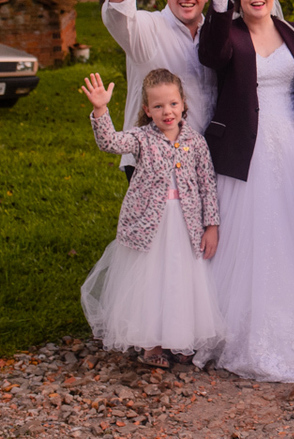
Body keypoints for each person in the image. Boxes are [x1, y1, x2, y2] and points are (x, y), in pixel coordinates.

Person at [195, 0, 294, 382]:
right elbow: (211, 56)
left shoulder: (293, 32)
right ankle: (239, 332)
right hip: (244, 152)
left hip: (292, 143)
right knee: (251, 241)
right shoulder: (228, 33)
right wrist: (218, 1)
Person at [78, 70, 223, 370]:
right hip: (150, 225)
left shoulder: (195, 142)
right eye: (157, 106)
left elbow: (207, 183)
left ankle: (181, 339)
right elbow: (109, 142)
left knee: (181, 280)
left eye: (172, 104)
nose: (166, 112)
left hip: (185, 224)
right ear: (147, 110)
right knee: (153, 280)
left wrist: (212, 226)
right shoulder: (142, 138)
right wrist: (100, 109)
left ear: (183, 103)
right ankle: (152, 344)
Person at [98, 0, 217, 180]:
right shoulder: (148, 27)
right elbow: (120, 18)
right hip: (152, 163)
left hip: (204, 159)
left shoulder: (216, 36)